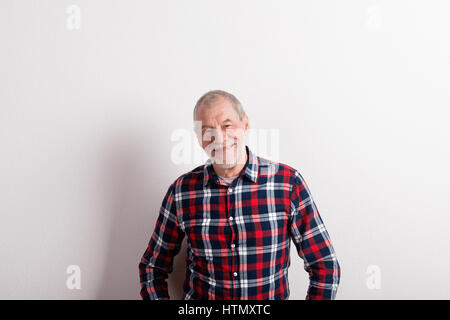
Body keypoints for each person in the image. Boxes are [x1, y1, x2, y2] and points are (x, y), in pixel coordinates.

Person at [138, 90, 341, 300]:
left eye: (227, 126)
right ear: (199, 139)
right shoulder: (182, 192)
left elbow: (325, 265)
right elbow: (152, 267)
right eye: (208, 131)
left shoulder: (288, 184)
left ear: (245, 125)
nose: (219, 138)